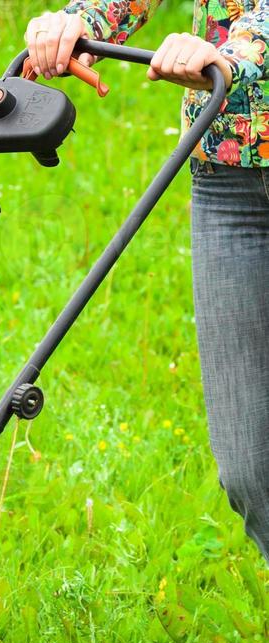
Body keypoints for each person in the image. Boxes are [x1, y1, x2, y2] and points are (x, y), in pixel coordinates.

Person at [23, 3, 269, 563]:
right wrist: (82, 21)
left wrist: (237, 52)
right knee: (251, 468)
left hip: (228, 73)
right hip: (228, 175)